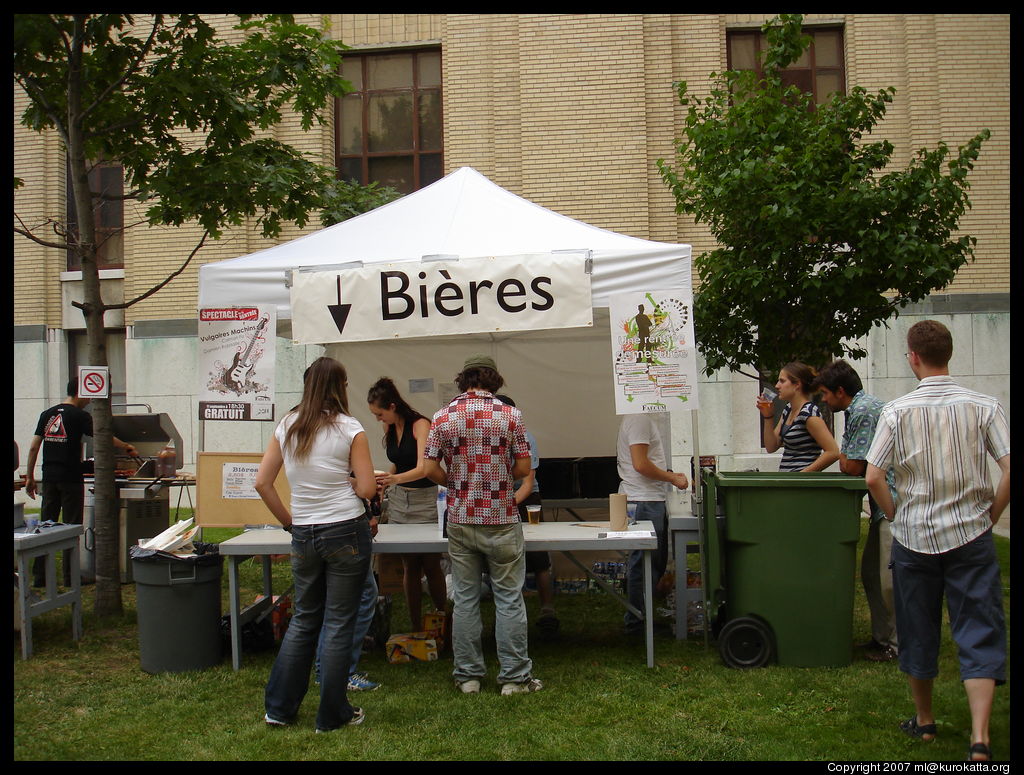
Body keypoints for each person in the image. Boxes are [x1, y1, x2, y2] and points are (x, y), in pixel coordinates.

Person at [864, 320, 1010, 762]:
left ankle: (924, 722)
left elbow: (873, 476)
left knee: (917, 627)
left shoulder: (897, 411)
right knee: (979, 627)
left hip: (915, 535)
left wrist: (896, 514)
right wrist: (992, 515)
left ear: (913, 356)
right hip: (971, 532)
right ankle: (980, 737)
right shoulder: (985, 406)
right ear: (950, 353)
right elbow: (1009, 469)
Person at [256, 356, 376, 732]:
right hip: (345, 528)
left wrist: (290, 523)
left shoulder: (287, 425)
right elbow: (369, 488)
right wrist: (357, 481)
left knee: (305, 619)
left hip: (305, 530)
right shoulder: (349, 427)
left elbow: (262, 483)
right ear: (340, 387)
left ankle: (279, 709)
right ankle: (333, 713)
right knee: (340, 621)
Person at [423, 354, 541, 695]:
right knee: (509, 599)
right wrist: (501, 473)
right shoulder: (510, 415)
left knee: (465, 598)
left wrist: (456, 480)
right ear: (494, 379)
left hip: (460, 518)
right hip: (501, 517)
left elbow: (429, 469)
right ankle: (515, 678)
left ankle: (469, 676)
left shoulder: (443, 416)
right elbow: (522, 468)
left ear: (463, 379)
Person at [814, 359, 898, 662]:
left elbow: (851, 465)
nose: (823, 400)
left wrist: (846, 459)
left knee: (889, 580)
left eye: (825, 393)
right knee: (873, 575)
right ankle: (882, 640)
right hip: (882, 505)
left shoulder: (862, 411)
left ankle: (896, 645)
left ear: (840, 391)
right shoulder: (861, 407)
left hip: (893, 504)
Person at [24, 378, 137, 586]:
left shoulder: (47, 414)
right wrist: (126, 446)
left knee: (43, 528)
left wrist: (30, 476)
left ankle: (40, 578)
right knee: (71, 527)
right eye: (87, 395)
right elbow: (103, 436)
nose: (89, 400)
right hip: (70, 479)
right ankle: (70, 577)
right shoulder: (80, 416)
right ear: (80, 392)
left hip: (49, 477)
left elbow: (33, 447)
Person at [367, 377, 447, 631]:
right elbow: (399, 462)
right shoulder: (389, 428)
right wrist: (387, 481)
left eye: (380, 414)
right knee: (409, 563)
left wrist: (394, 478)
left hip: (425, 499)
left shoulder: (421, 424)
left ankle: (442, 618)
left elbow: (425, 467)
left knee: (431, 562)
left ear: (392, 406)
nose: (379, 419)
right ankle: (415, 625)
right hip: (401, 500)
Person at [616, 412, 688, 635]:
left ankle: (642, 616)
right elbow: (640, 464)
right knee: (643, 563)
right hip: (642, 499)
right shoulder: (639, 418)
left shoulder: (640, 418)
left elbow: (645, 462)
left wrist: (669, 474)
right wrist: (672, 478)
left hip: (646, 497)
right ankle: (637, 621)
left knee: (651, 562)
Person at [495, 394, 559, 637]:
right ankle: (510, 613)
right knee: (504, 558)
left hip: (526, 500)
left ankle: (547, 610)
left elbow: (527, 482)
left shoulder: (526, 438)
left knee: (538, 555)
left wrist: (505, 505)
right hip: (501, 499)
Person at [758, 361, 839, 472]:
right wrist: (768, 416)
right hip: (789, 483)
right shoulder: (788, 409)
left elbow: (833, 452)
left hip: (801, 485)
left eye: (782, 381)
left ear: (797, 385)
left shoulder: (809, 413)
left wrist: (802, 475)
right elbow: (771, 447)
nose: (777, 386)